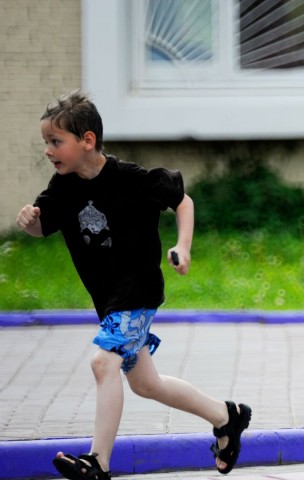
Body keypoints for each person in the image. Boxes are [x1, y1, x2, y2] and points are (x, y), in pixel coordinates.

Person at [16, 90, 251, 479]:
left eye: (56, 142)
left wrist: (183, 246)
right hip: (109, 300)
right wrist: (30, 222)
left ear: (87, 140)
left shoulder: (130, 179)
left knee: (102, 360)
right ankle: (227, 416)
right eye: (47, 143)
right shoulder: (63, 186)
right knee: (145, 383)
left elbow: (183, 201)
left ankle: (98, 462)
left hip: (138, 290)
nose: (48, 151)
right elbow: (44, 226)